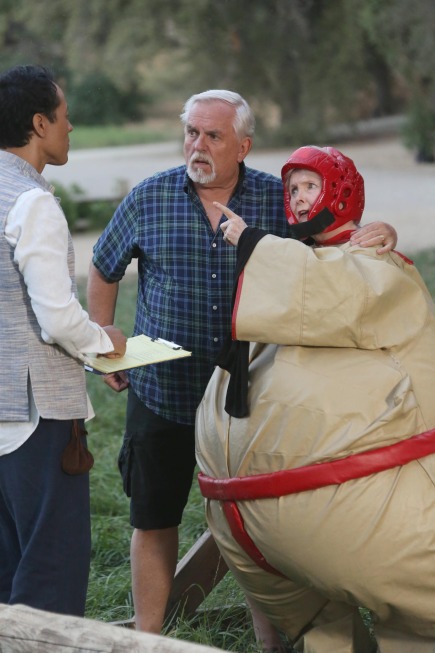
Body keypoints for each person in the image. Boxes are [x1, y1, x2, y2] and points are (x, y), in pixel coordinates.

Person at [86, 91, 397, 644]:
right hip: (163, 391)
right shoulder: (149, 197)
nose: (197, 146)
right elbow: (103, 267)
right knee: (152, 520)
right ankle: (147, 640)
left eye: (213, 136)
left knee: (254, 531)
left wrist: (382, 237)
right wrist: (103, 339)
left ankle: (269, 643)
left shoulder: (280, 200)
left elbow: (334, 252)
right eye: (191, 133)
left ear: (244, 145)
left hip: (250, 401)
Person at [196, 145, 435, 652]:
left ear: (341, 192)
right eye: (294, 190)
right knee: (321, 631)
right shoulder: (302, 263)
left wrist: (254, 242)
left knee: (416, 624)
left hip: (378, 496)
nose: (301, 201)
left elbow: (342, 293)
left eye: (311, 187)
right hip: (269, 517)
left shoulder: (375, 264)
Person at [0, 64, 127, 617]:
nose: (70, 127)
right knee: (51, 571)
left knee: (6, 574)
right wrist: (106, 341)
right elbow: (56, 316)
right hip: (35, 415)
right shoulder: (32, 203)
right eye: (65, 116)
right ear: (38, 123)